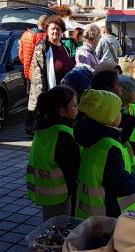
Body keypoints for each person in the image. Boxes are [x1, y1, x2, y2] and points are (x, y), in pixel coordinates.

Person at [74, 89, 135, 219]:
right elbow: (119, 184)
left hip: (92, 211)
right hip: (110, 213)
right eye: (117, 111)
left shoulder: (92, 137)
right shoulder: (110, 146)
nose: (121, 115)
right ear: (108, 116)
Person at [26, 86, 81, 221]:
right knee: (59, 229)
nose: (78, 108)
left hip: (44, 191)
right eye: (75, 105)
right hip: (59, 193)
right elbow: (72, 169)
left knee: (50, 225)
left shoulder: (43, 128)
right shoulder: (63, 134)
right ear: (62, 112)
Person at [27, 15, 74, 135]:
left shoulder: (63, 47)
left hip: (63, 94)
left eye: (58, 29)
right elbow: (39, 76)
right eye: (53, 28)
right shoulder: (43, 47)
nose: (55, 32)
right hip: (50, 94)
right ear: (47, 30)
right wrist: (43, 101)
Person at [19, 14, 48, 135]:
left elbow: (21, 53)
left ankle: (29, 125)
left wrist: (27, 68)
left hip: (28, 71)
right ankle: (32, 126)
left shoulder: (26, 34)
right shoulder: (42, 36)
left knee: (31, 100)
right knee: (37, 101)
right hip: (37, 72)